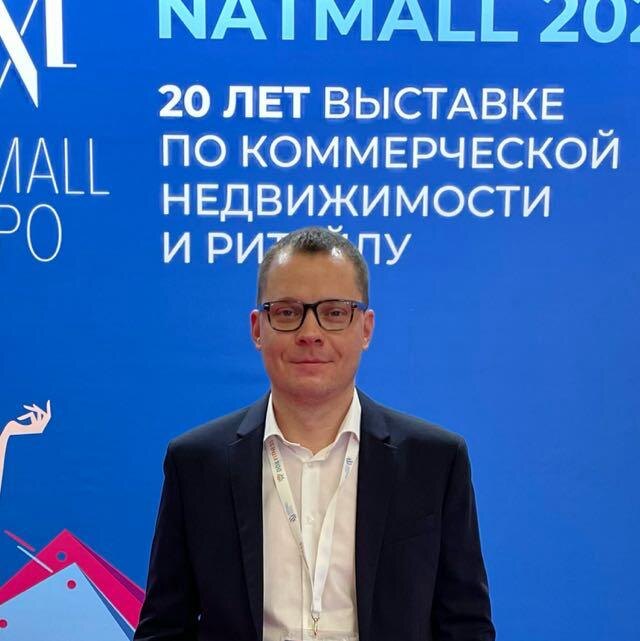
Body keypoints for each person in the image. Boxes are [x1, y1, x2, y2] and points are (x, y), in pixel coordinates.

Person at [134, 227, 495, 641]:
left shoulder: (434, 462)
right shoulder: (197, 463)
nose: (310, 333)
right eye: (287, 312)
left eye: (335, 313)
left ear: (366, 328)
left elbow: (465, 627)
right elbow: (164, 628)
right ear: (257, 328)